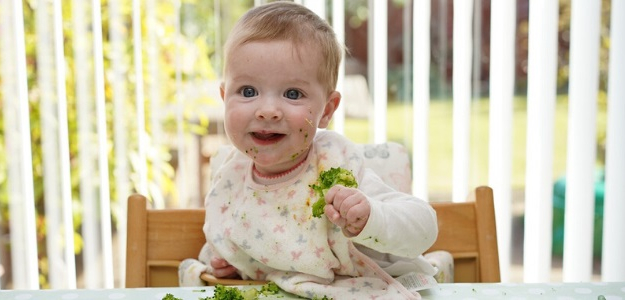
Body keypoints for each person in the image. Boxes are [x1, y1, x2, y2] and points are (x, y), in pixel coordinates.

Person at [179, 2, 439, 299]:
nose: (267, 111)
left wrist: (370, 217)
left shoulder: (336, 170)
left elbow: (424, 227)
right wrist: (232, 264)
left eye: (293, 94)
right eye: (248, 91)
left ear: (327, 110)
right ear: (225, 98)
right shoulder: (231, 174)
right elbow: (243, 238)